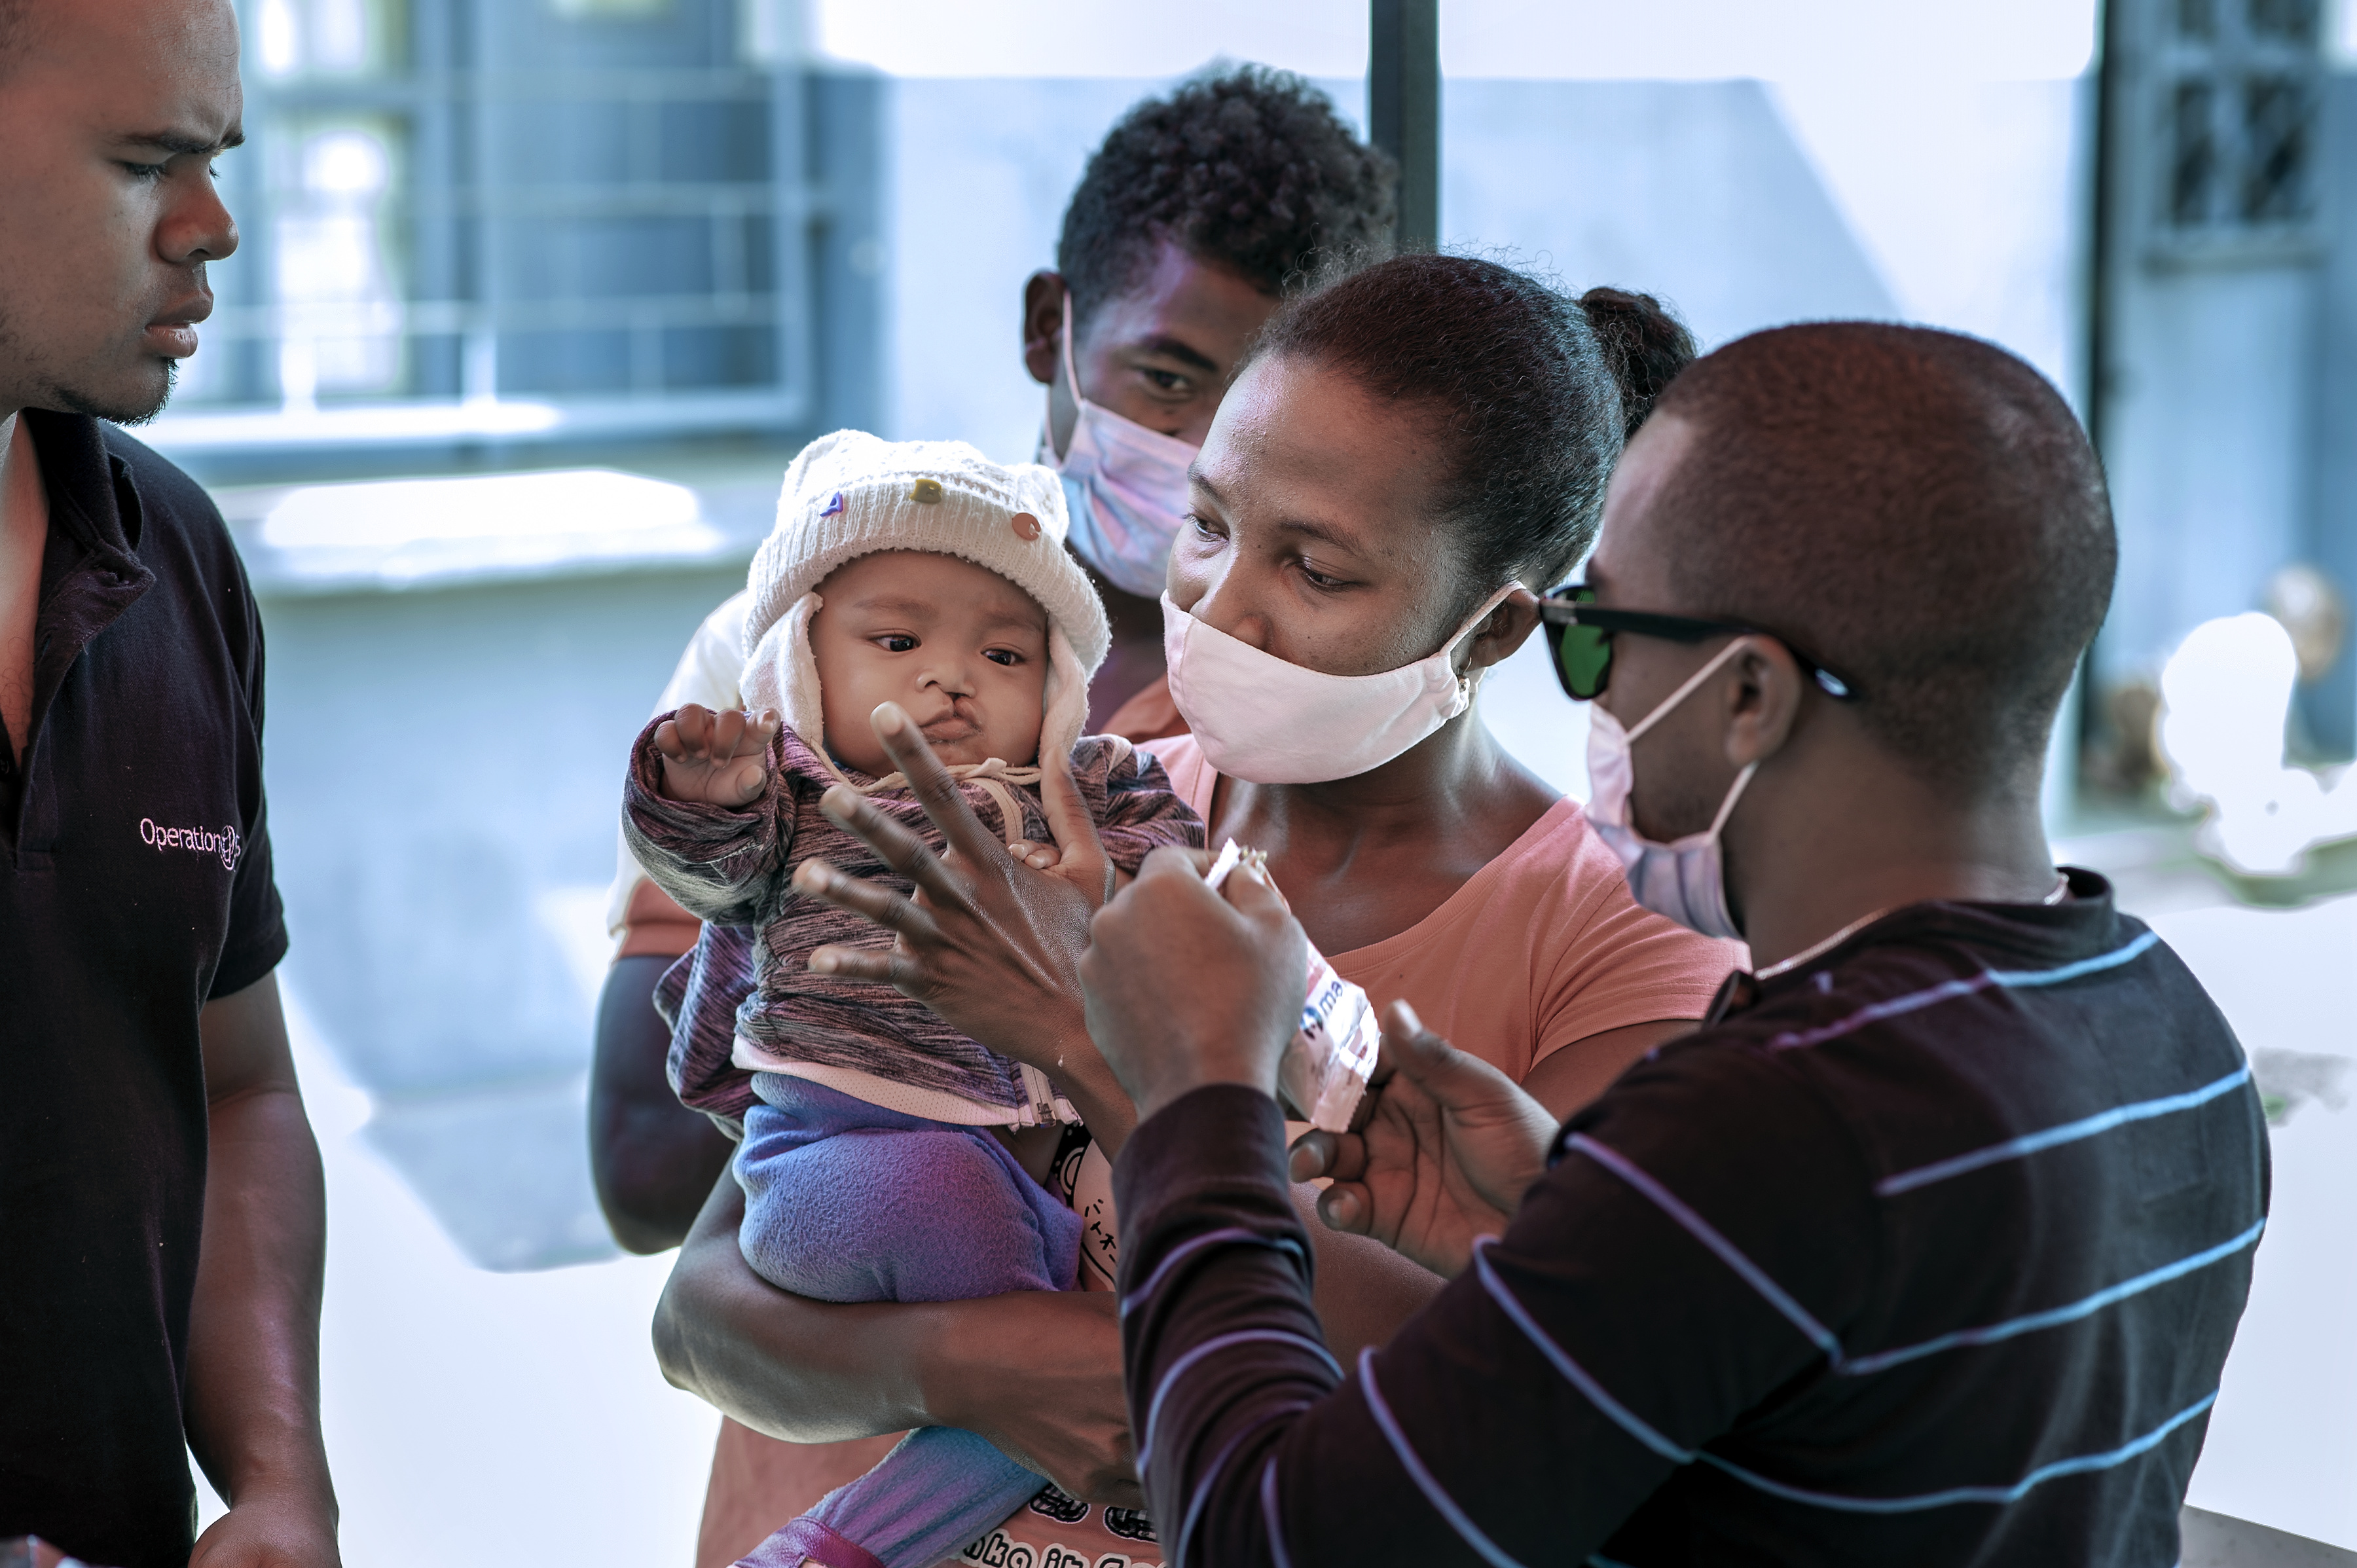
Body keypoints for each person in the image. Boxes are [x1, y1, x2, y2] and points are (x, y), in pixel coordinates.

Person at [1081, 323, 2266, 1563]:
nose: (1592, 694)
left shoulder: (1776, 1122)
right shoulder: (2172, 1030)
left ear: (1749, 696)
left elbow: (1268, 1543)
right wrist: (1572, 1225)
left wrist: (1195, 1097)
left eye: (1598, 634)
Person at [653, 255, 1740, 1563]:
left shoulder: (1621, 946)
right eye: (1212, 522)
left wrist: (1094, 1037)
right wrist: (977, 1372)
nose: (1221, 604)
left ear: (1498, 631)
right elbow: (702, 1315)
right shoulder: (1050, 807)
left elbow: (1521, 1405)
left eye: (1317, 571)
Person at [593, 65, 1395, 1565]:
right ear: (1055, 330)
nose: (1208, 446)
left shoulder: (1315, 725)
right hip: (814, 1429)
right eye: (1167, 376)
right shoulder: (804, 659)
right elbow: (648, 1173)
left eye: (1260, 406)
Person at [622, 434, 1200, 1568]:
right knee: (1066, 1354)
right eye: (896, 641)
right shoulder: (797, 800)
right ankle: (845, 1548)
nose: (951, 678)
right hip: (832, 1166)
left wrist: (1133, 883)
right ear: (801, 660)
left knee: (1071, 1367)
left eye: (1004, 651)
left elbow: (1177, 886)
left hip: (994, 1184)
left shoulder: (1086, 791)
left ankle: (843, 1546)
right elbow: (707, 867)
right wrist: (699, 789)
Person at [0, 2, 340, 1566]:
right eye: (151, 162)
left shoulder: (173, 556)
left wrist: (278, 1480)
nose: (214, 227)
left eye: (216, 159)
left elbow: (236, 1083)